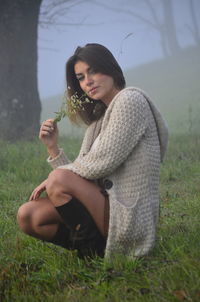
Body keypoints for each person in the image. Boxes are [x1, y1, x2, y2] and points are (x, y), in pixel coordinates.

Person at [17, 43, 168, 259]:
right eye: (80, 77)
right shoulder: (99, 120)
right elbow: (81, 174)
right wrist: (52, 147)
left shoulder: (130, 101)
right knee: (29, 215)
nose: (87, 81)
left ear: (110, 68)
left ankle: (91, 257)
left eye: (93, 71)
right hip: (104, 207)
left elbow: (98, 165)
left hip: (128, 218)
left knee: (58, 179)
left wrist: (56, 177)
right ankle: (96, 251)